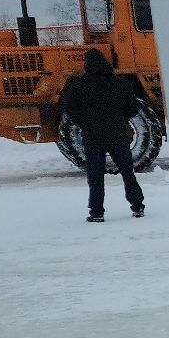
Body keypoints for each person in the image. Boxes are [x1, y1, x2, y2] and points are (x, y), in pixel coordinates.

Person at [59, 48, 146, 223]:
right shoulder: (120, 83)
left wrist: (84, 123)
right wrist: (120, 119)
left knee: (95, 176)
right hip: (118, 134)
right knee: (128, 172)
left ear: (87, 63)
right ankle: (138, 207)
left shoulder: (80, 85)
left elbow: (69, 108)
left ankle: (97, 212)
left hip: (93, 136)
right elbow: (133, 106)